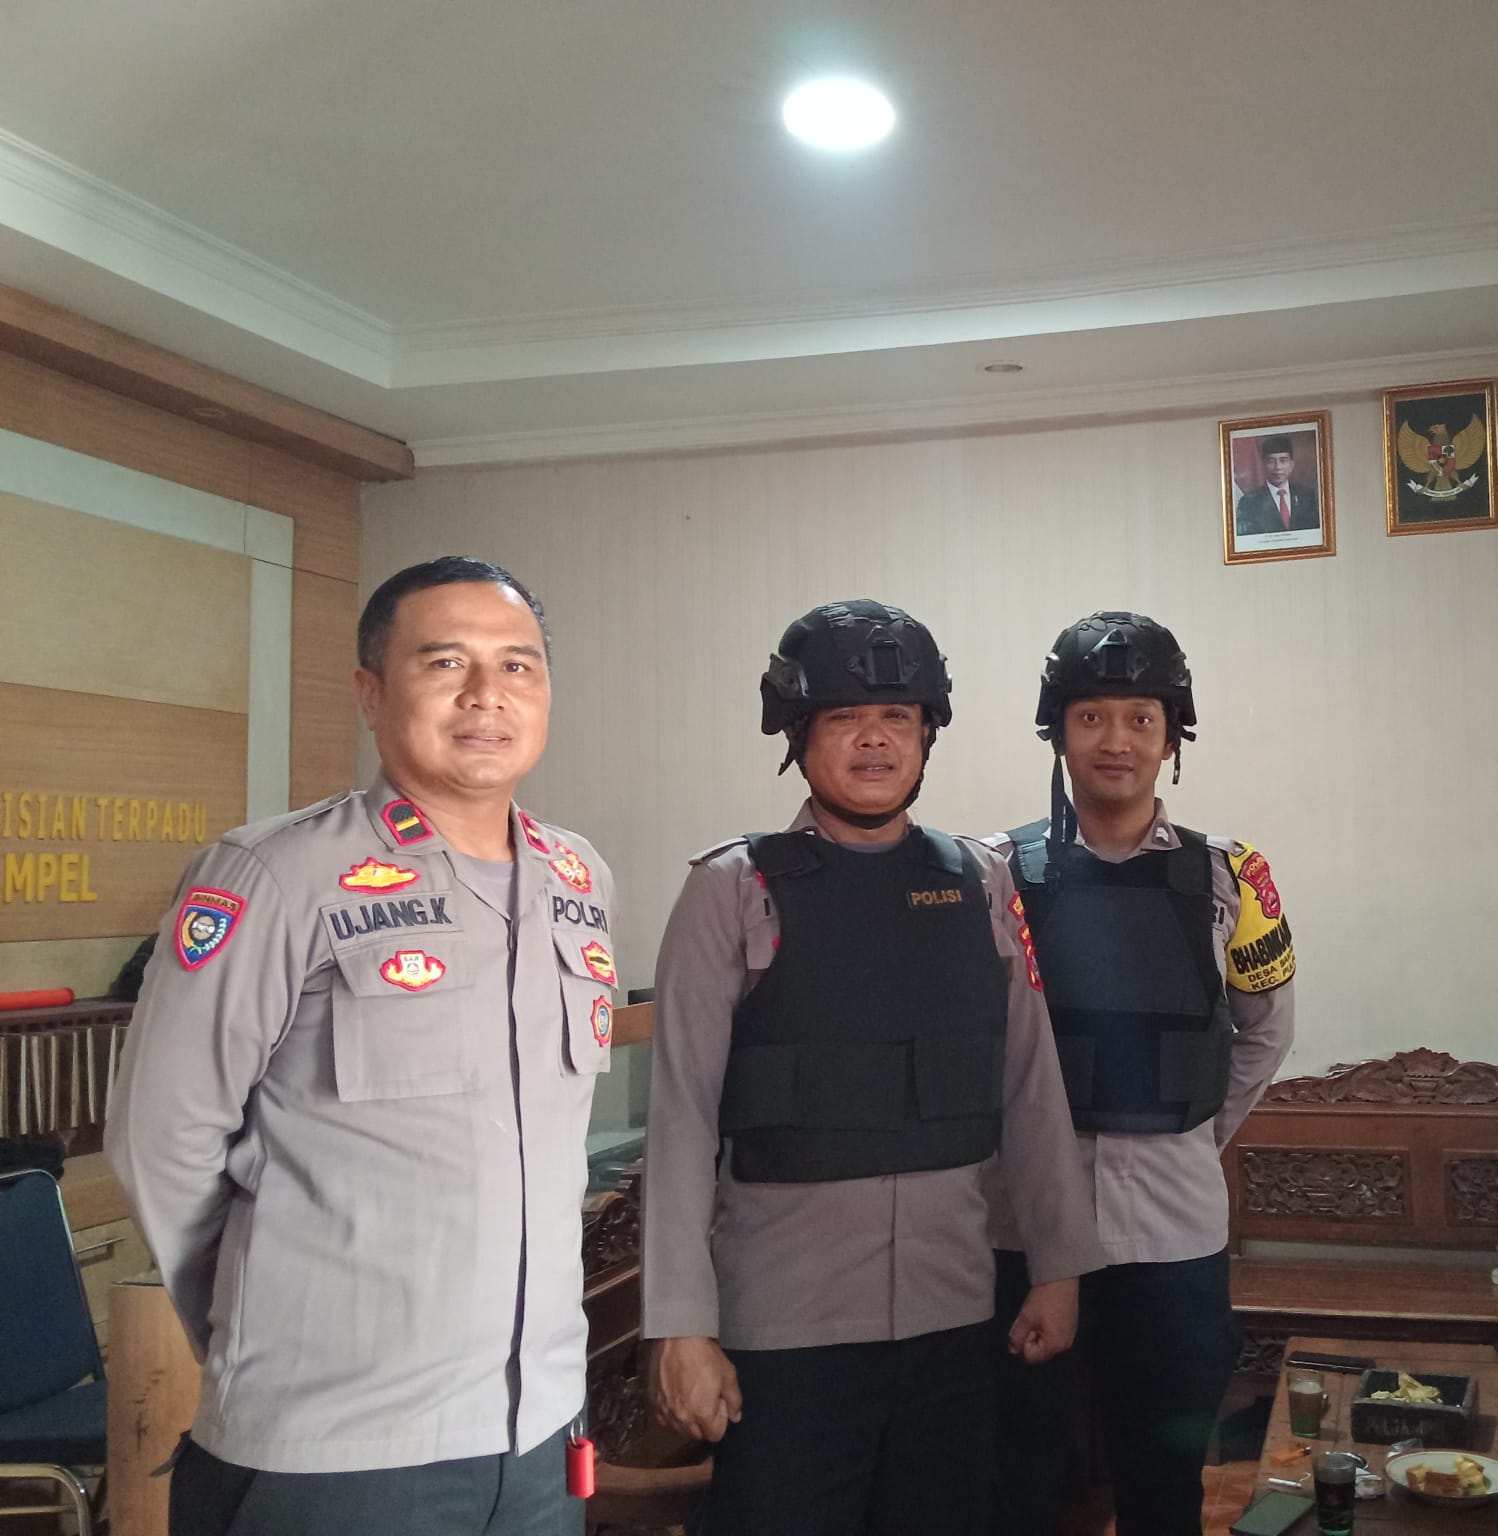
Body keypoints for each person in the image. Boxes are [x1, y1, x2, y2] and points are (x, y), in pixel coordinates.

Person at [106, 555, 616, 1536]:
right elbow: (158, 1138)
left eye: (517, 666)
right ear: (371, 693)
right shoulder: (274, 873)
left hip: (541, 1432)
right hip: (335, 1447)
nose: (487, 694)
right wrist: (257, 1326)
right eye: (445, 663)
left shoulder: (578, 876)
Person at [641, 600, 1102, 1536]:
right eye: (844, 717)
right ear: (798, 735)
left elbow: (1029, 1086)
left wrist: (1059, 1269)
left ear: (927, 735)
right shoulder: (732, 888)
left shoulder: (980, 880)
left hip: (952, 1318)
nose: (874, 739)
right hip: (783, 1331)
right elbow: (681, 1114)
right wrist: (679, 1325)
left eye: (897, 717)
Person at [985, 611, 1296, 1536]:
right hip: (1021, 1232)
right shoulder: (993, 874)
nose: (1115, 740)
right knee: (1017, 1476)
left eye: (1140, 718)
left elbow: (1264, 1035)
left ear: (1171, 738)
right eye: (1091, 717)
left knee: (1165, 1483)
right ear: (1058, 732)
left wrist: (1188, 1129)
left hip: (1173, 1234)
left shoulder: (1233, 876)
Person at [1234, 433, 1320, 535]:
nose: (1278, 467)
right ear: (1263, 465)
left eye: (1283, 460)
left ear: (1291, 465)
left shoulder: (1306, 495)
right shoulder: (1249, 502)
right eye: (1271, 461)